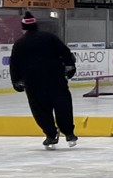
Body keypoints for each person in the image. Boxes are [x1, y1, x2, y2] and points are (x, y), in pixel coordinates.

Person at [9, 12, 77, 148]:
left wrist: (16, 81)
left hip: (33, 83)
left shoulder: (19, 44)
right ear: (36, 25)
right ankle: (69, 133)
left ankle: (51, 134)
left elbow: (14, 64)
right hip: (55, 79)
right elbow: (65, 52)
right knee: (62, 105)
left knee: (40, 110)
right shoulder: (49, 37)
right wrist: (70, 67)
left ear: (23, 27)